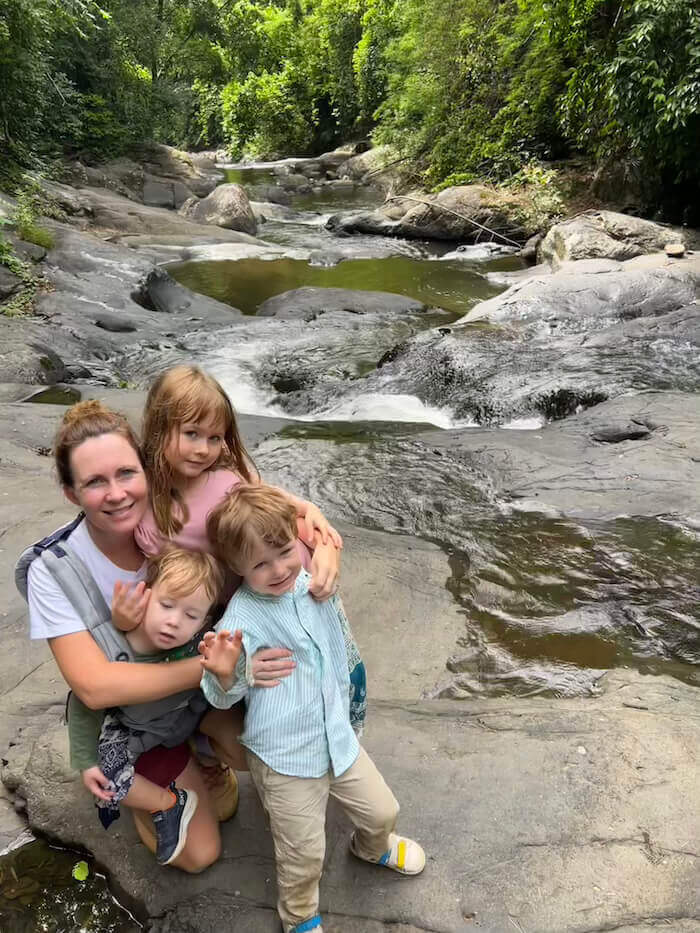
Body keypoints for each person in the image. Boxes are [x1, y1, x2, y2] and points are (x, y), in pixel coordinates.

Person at [20, 399, 341, 873]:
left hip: (203, 693)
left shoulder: (172, 505)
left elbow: (264, 511)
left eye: (126, 474)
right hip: (136, 715)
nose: (117, 494)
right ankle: (159, 788)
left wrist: (321, 535)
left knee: (269, 744)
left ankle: (202, 748)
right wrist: (226, 665)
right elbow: (93, 686)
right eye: (94, 482)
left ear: (148, 468)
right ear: (70, 492)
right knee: (198, 855)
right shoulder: (55, 569)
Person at [200, 484, 425, 933]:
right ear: (236, 567)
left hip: (336, 737)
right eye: (259, 564)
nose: (278, 569)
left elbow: (334, 623)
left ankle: (370, 845)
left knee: (382, 811)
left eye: (284, 552)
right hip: (285, 756)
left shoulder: (313, 583)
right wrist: (229, 673)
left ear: (296, 541)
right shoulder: (241, 619)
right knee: (302, 852)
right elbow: (221, 695)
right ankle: (300, 916)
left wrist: (325, 554)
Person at [72, 547, 230, 866]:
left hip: (171, 733)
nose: (173, 622)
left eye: (190, 615)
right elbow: (82, 704)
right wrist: (85, 760)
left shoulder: (199, 645)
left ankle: (206, 759)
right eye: (166, 605)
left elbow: (215, 694)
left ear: (205, 620)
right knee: (105, 776)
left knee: (238, 730)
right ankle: (167, 804)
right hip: (125, 734)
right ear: (146, 596)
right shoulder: (119, 646)